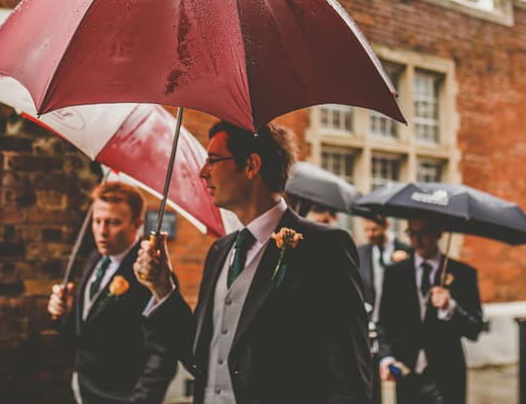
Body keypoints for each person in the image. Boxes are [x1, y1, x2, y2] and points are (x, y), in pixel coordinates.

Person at [135, 120, 372, 404]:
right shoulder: (220, 251)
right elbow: (203, 358)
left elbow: (348, 378)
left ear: (251, 165)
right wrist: (162, 289)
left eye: (213, 160)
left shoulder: (324, 248)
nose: (202, 172)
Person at [48, 182, 176, 404]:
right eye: (97, 221)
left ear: (138, 224)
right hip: (79, 388)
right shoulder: (95, 259)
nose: (102, 231)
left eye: (113, 222)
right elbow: (87, 330)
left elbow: (162, 353)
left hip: (118, 396)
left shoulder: (152, 274)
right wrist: (65, 313)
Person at [377, 217, 483, 404]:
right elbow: (384, 323)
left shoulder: (462, 274)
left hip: (447, 376)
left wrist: (450, 307)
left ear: (439, 232)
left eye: (423, 233)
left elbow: (474, 329)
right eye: (412, 233)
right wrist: (386, 357)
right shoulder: (395, 273)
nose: (417, 240)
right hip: (406, 374)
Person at [356, 216, 413, 404]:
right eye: (367, 230)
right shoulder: (360, 253)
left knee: (404, 383)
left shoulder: (408, 251)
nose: (370, 234)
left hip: (397, 329)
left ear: (386, 225)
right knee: (371, 386)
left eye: (374, 230)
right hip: (370, 329)